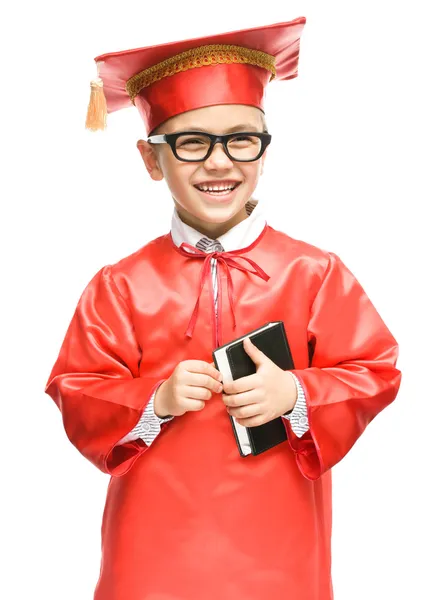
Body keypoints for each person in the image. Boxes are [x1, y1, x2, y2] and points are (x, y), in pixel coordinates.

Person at [44, 16, 402, 600]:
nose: (219, 162)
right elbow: (76, 387)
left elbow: (375, 370)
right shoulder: (122, 285)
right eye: (192, 142)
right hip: (154, 544)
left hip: (279, 541)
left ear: (263, 150)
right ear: (151, 159)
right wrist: (153, 398)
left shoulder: (313, 273)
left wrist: (296, 394)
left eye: (241, 138)